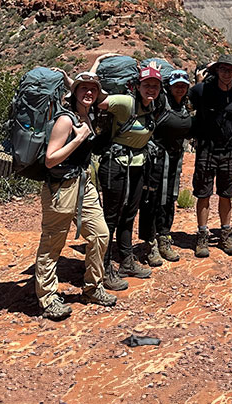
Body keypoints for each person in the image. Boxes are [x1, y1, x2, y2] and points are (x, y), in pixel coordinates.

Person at [35, 71, 116, 320]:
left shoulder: (87, 115)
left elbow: (106, 99)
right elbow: (50, 160)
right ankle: (47, 299)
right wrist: (78, 139)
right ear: (75, 93)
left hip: (84, 185)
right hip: (61, 189)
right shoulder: (66, 121)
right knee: (52, 244)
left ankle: (92, 288)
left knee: (101, 234)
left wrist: (80, 80)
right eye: (84, 89)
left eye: (93, 89)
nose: (89, 92)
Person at [93, 54, 166, 289]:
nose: (151, 90)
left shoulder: (154, 104)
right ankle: (103, 268)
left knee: (129, 215)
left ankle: (126, 261)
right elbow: (98, 100)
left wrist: (152, 70)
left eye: (155, 86)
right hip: (115, 166)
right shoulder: (126, 102)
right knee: (110, 218)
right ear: (137, 86)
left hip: (137, 166)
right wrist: (93, 71)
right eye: (147, 85)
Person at [188, 54, 232, 258]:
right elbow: (187, 102)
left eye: (231, 70)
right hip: (207, 149)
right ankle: (202, 235)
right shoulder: (201, 89)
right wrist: (198, 81)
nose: (227, 73)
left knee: (226, 194)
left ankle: (226, 233)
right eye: (223, 69)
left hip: (229, 150)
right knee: (204, 193)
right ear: (216, 70)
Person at [139, 69, 193, 266]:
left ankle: (164, 237)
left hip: (175, 159)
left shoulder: (185, 106)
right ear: (169, 86)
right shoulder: (161, 102)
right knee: (151, 199)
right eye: (176, 84)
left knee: (169, 198)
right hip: (156, 160)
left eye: (183, 85)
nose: (180, 88)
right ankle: (149, 243)